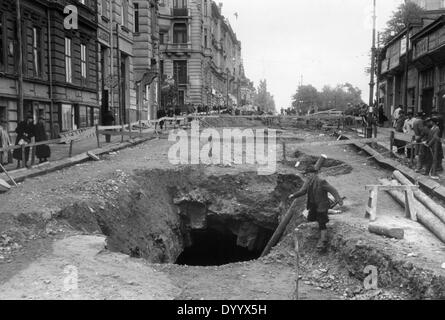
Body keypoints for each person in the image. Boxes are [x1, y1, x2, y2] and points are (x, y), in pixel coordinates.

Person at [288, 165, 344, 251]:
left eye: (309, 174)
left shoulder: (321, 181)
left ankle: (323, 240)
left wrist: (339, 200)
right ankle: (314, 235)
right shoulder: (309, 182)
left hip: (322, 205)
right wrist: (294, 195)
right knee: (311, 218)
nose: (308, 176)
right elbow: (303, 191)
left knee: (322, 221)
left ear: (314, 173)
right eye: (307, 174)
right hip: (313, 205)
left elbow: (332, 190)